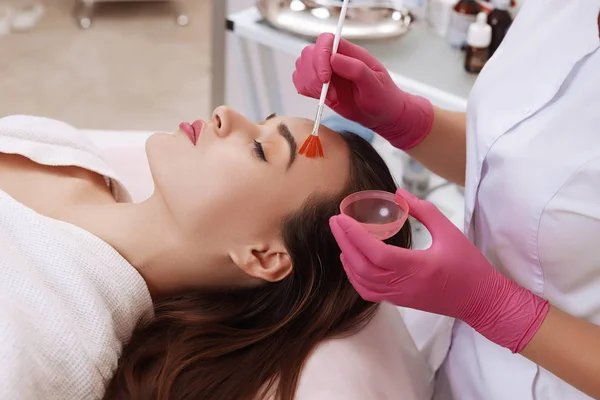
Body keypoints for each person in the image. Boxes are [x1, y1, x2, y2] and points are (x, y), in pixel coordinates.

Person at [292, 0, 600, 399]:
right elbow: (521, 158)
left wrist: (496, 307)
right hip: (455, 368)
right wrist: (404, 119)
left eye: (264, 151)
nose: (221, 118)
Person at [0, 107, 411, 400]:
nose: (224, 113)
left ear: (263, 256)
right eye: (262, 121)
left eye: (260, 150)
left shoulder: (50, 346)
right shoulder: (59, 147)